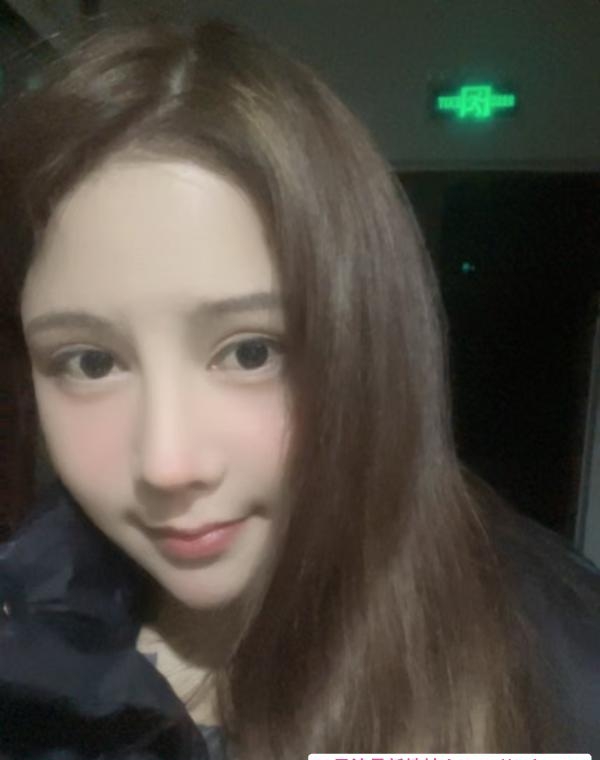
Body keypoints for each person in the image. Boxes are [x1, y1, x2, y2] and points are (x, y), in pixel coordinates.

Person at [0, 19, 599, 760]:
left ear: (368, 344)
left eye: (251, 352)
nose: (167, 464)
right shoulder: (24, 653)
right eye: (90, 363)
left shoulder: (561, 680)